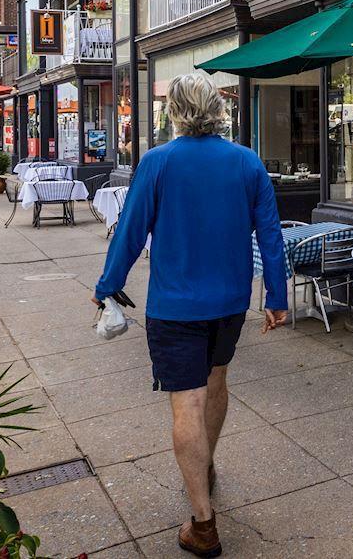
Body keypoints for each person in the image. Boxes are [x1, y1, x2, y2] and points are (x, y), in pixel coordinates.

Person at [95, 75, 286, 559]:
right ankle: (206, 466)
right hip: (229, 302)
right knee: (216, 380)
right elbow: (271, 235)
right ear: (218, 108)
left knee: (187, 403)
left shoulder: (158, 162)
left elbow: (131, 231)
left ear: (175, 112)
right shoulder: (247, 162)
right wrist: (277, 297)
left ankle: (203, 524)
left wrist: (106, 286)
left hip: (175, 305)